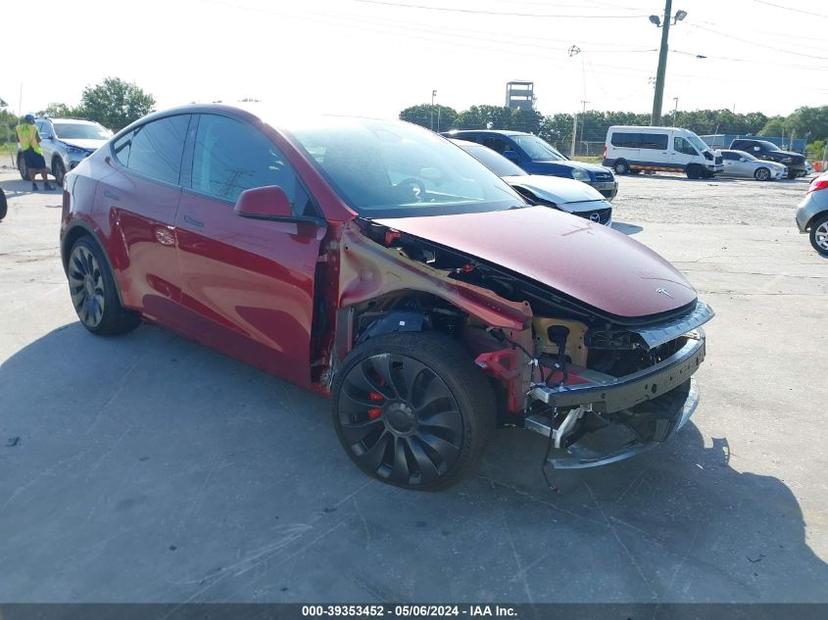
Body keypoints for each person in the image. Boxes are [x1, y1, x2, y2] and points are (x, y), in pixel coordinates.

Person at [16, 114, 54, 191]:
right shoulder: (33, 128)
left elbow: (17, 139)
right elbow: (38, 140)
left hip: (26, 151)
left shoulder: (18, 128)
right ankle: (46, 185)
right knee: (43, 168)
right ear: (31, 120)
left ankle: (34, 185)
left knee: (31, 168)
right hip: (35, 150)